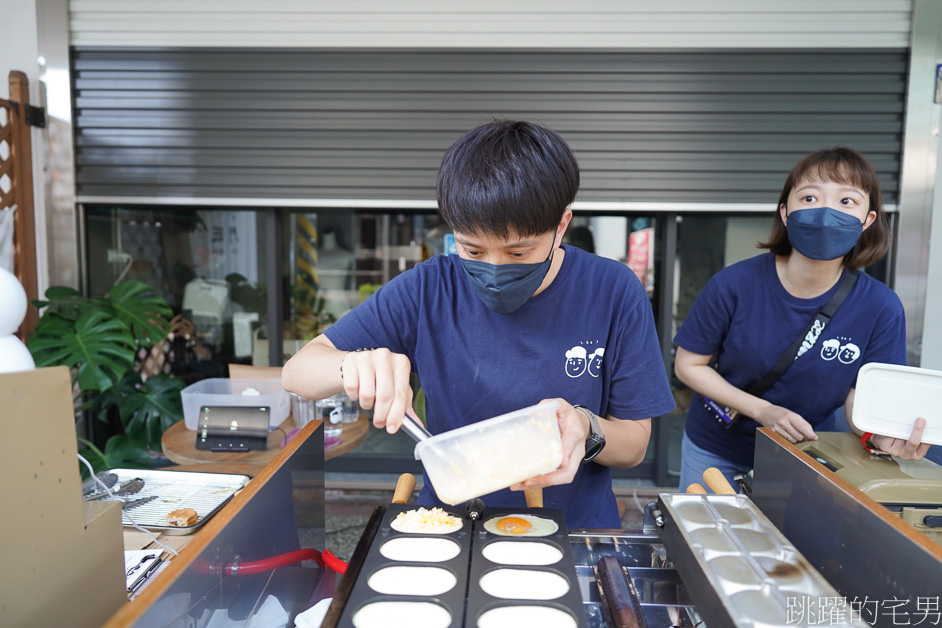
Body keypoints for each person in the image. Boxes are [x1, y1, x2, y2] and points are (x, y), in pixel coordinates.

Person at [282, 120, 675, 527]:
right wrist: (351, 365)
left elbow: (634, 444)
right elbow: (297, 373)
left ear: (561, 226)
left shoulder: (612, 290)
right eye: (472, 249)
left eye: (518, 253)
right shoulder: (428, 288)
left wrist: (585, 426)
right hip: (453, 526)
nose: (493, 269)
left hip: (575, 531)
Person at [673, 147, 932, 492]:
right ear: (785, 212)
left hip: (807, 453)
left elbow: (862, 400)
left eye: (846, 201)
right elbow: (688, 365)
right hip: (716, 451)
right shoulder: (733, 284)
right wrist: (764, 410)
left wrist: (880, 436)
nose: (826, 212)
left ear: (868, 220)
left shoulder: (881, 307)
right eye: (809, 197)